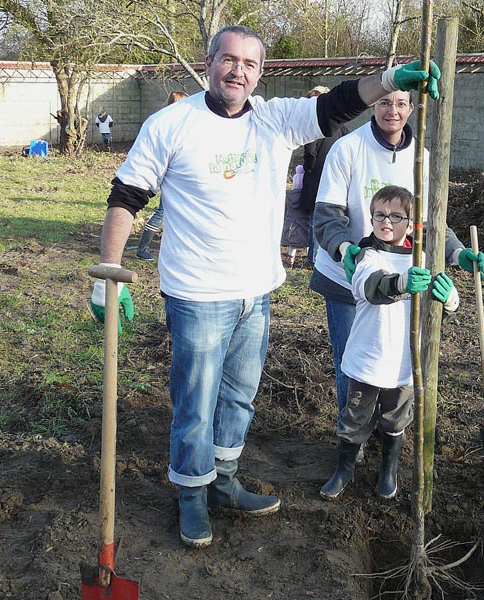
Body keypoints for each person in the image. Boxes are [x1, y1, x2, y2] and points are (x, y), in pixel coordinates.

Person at [87, 24, 442, 549]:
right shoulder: (171, 124)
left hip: (257, 291)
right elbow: (126, 196)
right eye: (229, 60)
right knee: (195, 400)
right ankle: (191, 493)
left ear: (260, 73)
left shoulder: (275, 120)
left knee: (239, 397)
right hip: (197, 293)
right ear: (209, 63)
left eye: (250, 64)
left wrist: (389, 78)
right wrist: (107, 277)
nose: (238, 72)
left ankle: (224, 481)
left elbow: (339, 104)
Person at [310, 90, 484, 454]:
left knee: (392, 359)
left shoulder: (420, 159)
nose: (393, 110)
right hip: (347, 275)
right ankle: (353, 441)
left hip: (400, 276)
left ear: (412, 109)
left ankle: (384, 434)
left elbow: (430, 224)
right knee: (353, 363)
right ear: (373, 104)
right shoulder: (347, 149)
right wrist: (347, 249)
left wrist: (457, 254)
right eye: (385, 102)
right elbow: (326, 215)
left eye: (401, 104)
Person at [319, 186, 459, 501]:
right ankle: (344, 468)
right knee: (355, 415)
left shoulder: (423, 257)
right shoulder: (367, 255)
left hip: (405, 362)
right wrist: (400, 283)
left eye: (396, 217)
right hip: (369, 358)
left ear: (411, 224)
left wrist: (448, 299)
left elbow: (435, 314)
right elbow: (370, 287)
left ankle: (389, 468)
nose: (386, 222)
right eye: (379, 215)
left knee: (396, 417)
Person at [135, 91, 190, 260]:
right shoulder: (174, 125)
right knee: (162, 210)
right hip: (174, 174)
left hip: (181, 173)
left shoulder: (171, 122)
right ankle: (142, 249)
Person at [299, 85, 349, 268]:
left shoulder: (313, 126)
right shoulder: (340, 126)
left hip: (317, 177)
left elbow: (310, 153)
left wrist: (308, 169)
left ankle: (313, 257)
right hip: (335, 177)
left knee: (315, 219)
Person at [282, 165, 308, 266]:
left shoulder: (289, 196)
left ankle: (291, 258)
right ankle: (308, 257)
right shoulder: (306, 198)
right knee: (307, 240)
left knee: (292, 243)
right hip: (304, 222)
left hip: (292, 225)